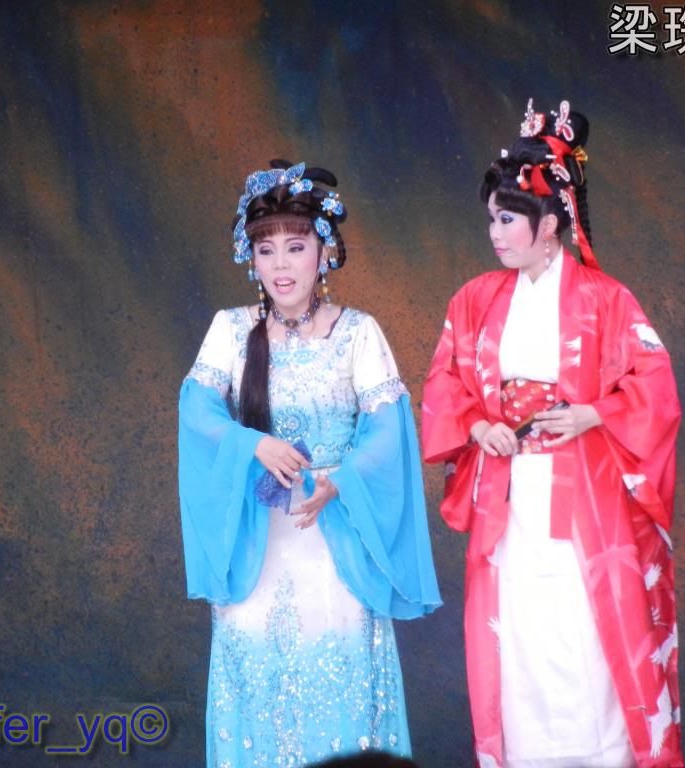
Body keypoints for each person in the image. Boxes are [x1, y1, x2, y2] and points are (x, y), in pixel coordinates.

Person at [421, 100, 684, 768]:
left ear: (549, 224)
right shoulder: (475, 299)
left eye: (507, 219)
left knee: (587, 625)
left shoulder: (606, 298)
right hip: (510, 488)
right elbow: (445, 380)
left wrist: (594, 412)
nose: (496, 233)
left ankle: (603, 756)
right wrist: (481, 424)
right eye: (492, 219)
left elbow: (655, 387)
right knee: (516, 627)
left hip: (585, 489)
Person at [178, 160, 441, 768]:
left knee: (340, 677)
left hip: (334, 542)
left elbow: (387, 432)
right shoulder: (230, 331)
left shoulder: (357, 333)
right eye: (266, 250)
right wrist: (252, 444)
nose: (281, 265)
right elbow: (197, 410)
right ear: (251, 258)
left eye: (296, 248)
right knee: (255, 679)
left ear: (325, 253)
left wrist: (340, 481)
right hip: (257, 542)